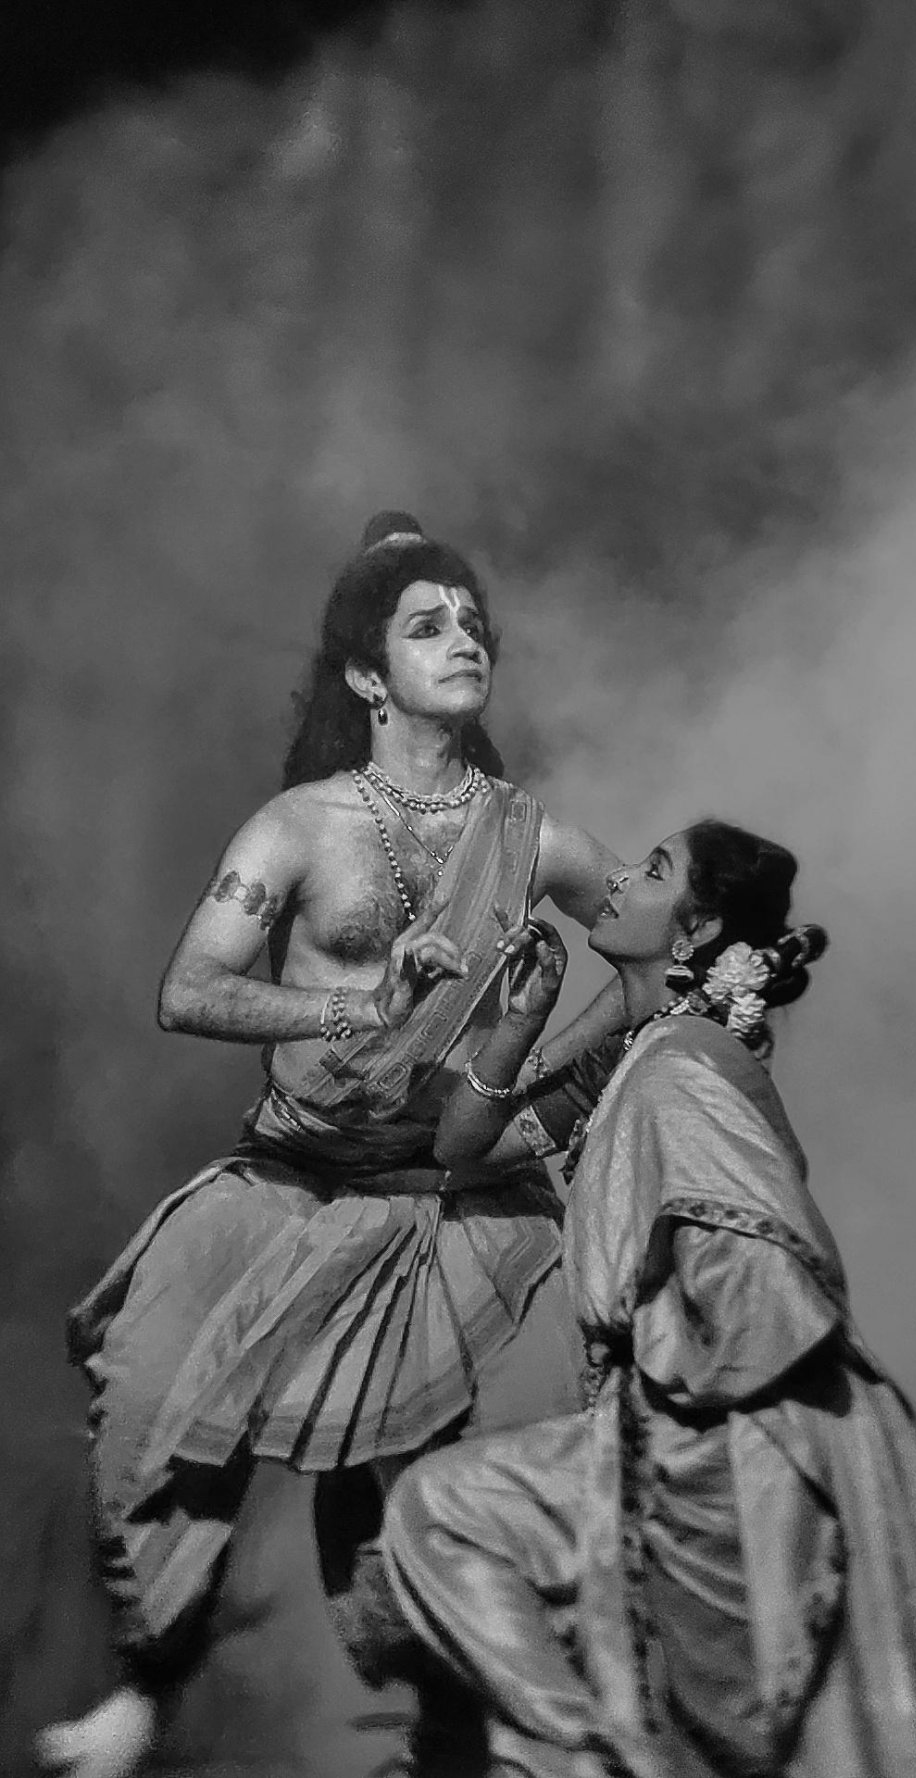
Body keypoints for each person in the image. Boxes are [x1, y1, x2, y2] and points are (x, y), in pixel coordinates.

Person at [37, 512, 625, 1778]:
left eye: (473, 623)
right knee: (148, 1400)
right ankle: (149, 1682)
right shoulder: (296, 828)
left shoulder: (533, 840)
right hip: (286, 1182)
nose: (465, 639)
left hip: (443, 1202)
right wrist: (363, 999)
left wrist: (550, 1083)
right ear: (366, 672)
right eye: (428, 625)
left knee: (400, 1484)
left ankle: (462, 1733)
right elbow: (190, 990)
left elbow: (653, 949)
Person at [382, 819, 916, 1778]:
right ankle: (596, 1751)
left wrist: (671, 1387)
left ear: (697, 927)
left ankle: (597, 1759)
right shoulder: (626, 1063)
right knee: (448, 1512)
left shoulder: (677, 1067)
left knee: (447, 1511)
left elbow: (758, 1276)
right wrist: (520, 1024)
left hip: (725, 1419)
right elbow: (462, 1150)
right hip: (655, 1415)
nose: (618, 879)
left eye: (653, 871)